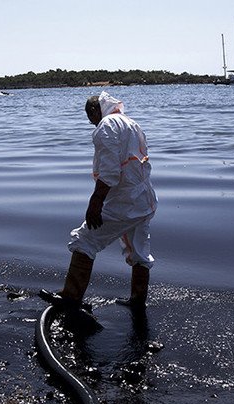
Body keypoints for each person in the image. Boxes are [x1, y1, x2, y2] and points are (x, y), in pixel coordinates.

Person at [43, 91, 157, 311]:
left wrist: (95, 202)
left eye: (90, 117)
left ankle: (71, 298)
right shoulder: (131, 123)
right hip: (145, 199)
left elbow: (110, 171)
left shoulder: (106, 126)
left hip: (125, 201)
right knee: (139, 251)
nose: (91, 123)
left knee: (85, 240)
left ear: (96, 110)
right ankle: (137, 302)